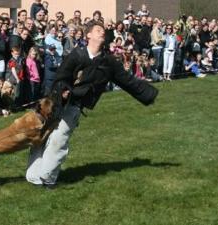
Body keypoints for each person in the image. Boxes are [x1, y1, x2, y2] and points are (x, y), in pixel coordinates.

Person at [26, 22, 158, 187]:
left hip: (75, 106)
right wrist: (63, 91)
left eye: (103, 31)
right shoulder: (76, 54)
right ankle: (33, 176)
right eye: (98, 30)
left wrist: (149, 95)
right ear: (88, 35)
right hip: (54, 102)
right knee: (41, 138)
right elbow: (61, 77)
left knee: (58, 140)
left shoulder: (108, 62)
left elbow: (127, 81)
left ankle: (48, 178)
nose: (102, 32)